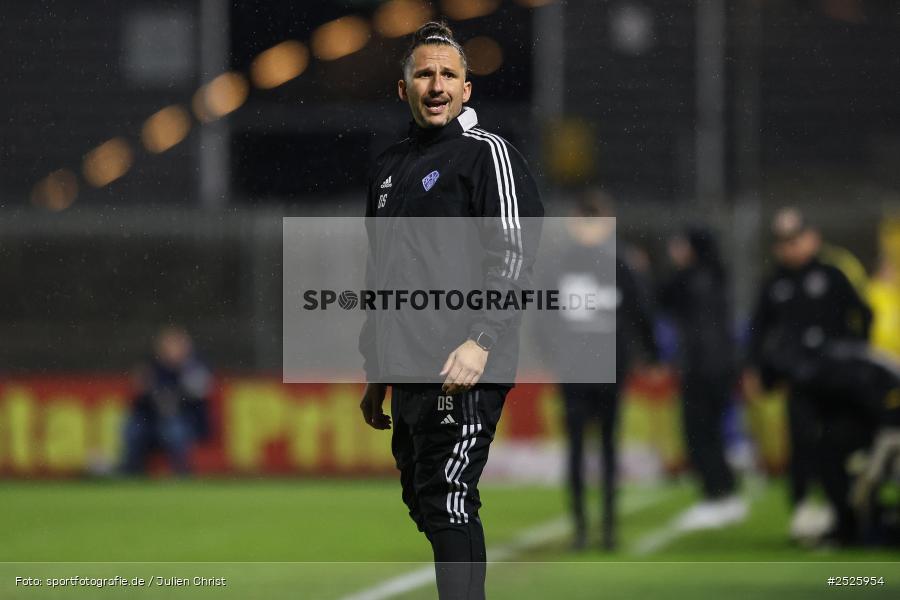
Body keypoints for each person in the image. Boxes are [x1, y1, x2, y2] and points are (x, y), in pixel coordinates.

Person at [357, 22, 543, 600]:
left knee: (449, 495)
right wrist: (376, 372)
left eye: (449, 75)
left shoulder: (487, 155)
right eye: (424, 74)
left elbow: (514, 253)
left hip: (463, 364)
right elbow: (382, 275)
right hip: (408, 365)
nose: (436, 85)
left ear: (467, 89)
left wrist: (481, 339)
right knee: (425, 497)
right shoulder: (389, 167)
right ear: (403, 88)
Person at [744, 207, 873, 543]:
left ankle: (842, 511)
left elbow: (863, 315)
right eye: (782, 242)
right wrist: (756, 369)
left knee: (837, 444)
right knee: (800, 443)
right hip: (798, 380)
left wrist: (855, 358)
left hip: (838, 381)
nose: (789, 248)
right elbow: (758, 330)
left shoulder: (834, 273)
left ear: (812, 238)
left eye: (795, 239)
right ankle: (802, 508)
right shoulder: (774, 283)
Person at [537, 190, 657, 550]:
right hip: (601, 367)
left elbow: (543, 320)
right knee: (603, 447)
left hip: (584, 368)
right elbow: (641, 315)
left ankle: (587, 532)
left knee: (583, 449)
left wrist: (557, 356)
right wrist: (647, 354)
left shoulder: (570, 262)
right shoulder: (619, 262)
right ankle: (603, 531)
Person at [658, 227, 746, 530]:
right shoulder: (716, 274)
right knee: (712, 436)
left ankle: (714, 497)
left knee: (699, 435)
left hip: (701, 369)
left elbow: (661, 297)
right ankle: (727, 495)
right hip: (720, 368)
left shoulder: (691, 279)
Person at [121, 326, 212, 475]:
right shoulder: (150, 366)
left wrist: (169, 396)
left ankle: (181, 472)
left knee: (173, 429)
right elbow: (140, 398)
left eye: (176, 345)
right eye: (168, 345)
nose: (172, 350)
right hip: (151, 420)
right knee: (133, 428)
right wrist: (154, 395)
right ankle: (132, 471)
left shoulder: (194, 367)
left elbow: (196, 396)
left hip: (186, 420)